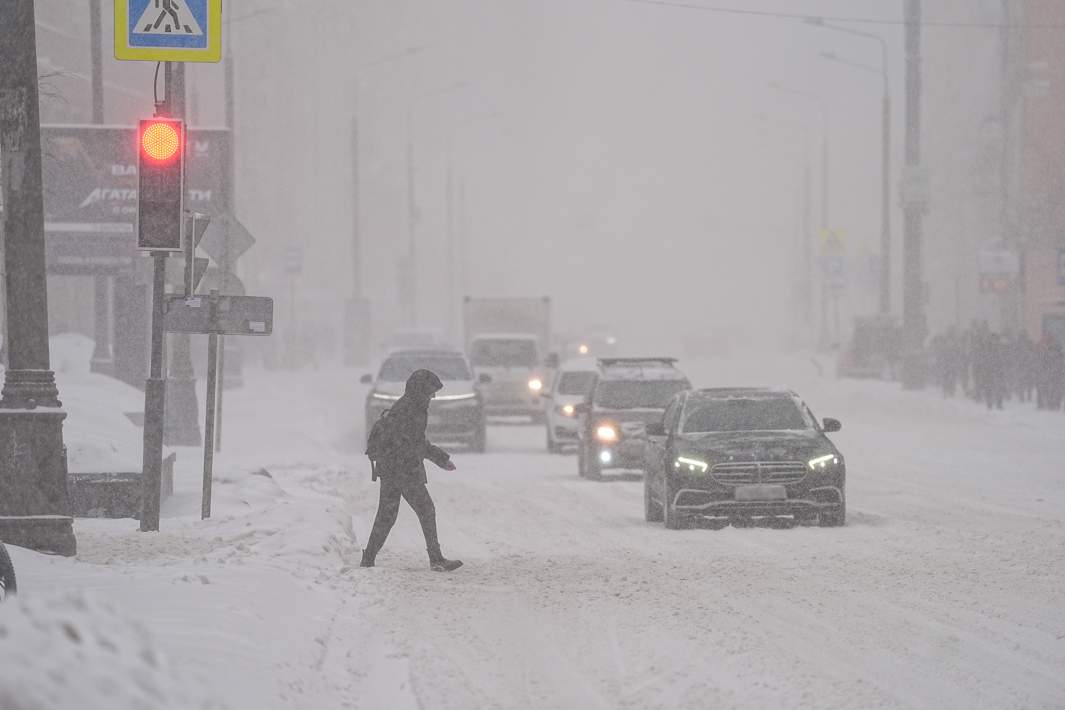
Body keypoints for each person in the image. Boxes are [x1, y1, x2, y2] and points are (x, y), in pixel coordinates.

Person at [361, 369, 463, 572]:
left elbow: (415, 442)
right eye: (431, 392)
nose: (433, 397)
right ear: (421, 390)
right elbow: (416, 444)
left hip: (392, 467)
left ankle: (368, 558)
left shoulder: (408, 406)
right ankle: (435, 559)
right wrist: (440, 458)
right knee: (425, 510)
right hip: (403, 468)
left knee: (387, 515)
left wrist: (438, 458)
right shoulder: (411, 410)